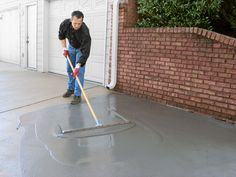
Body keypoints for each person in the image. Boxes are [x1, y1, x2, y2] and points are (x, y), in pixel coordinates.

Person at [58, 10, 91, 105]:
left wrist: (78, 65)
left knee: (78, 72)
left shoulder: (85, 31)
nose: (77, 25)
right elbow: (61, 36)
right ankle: (71, 89)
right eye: (75, 23)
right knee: (69, 69)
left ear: (82, 21)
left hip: (81, 49)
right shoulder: (65, 24)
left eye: (79, 23)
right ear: (71, 20)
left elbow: (86, 51)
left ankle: (77, 95)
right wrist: (64, 48)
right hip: (71, 47)